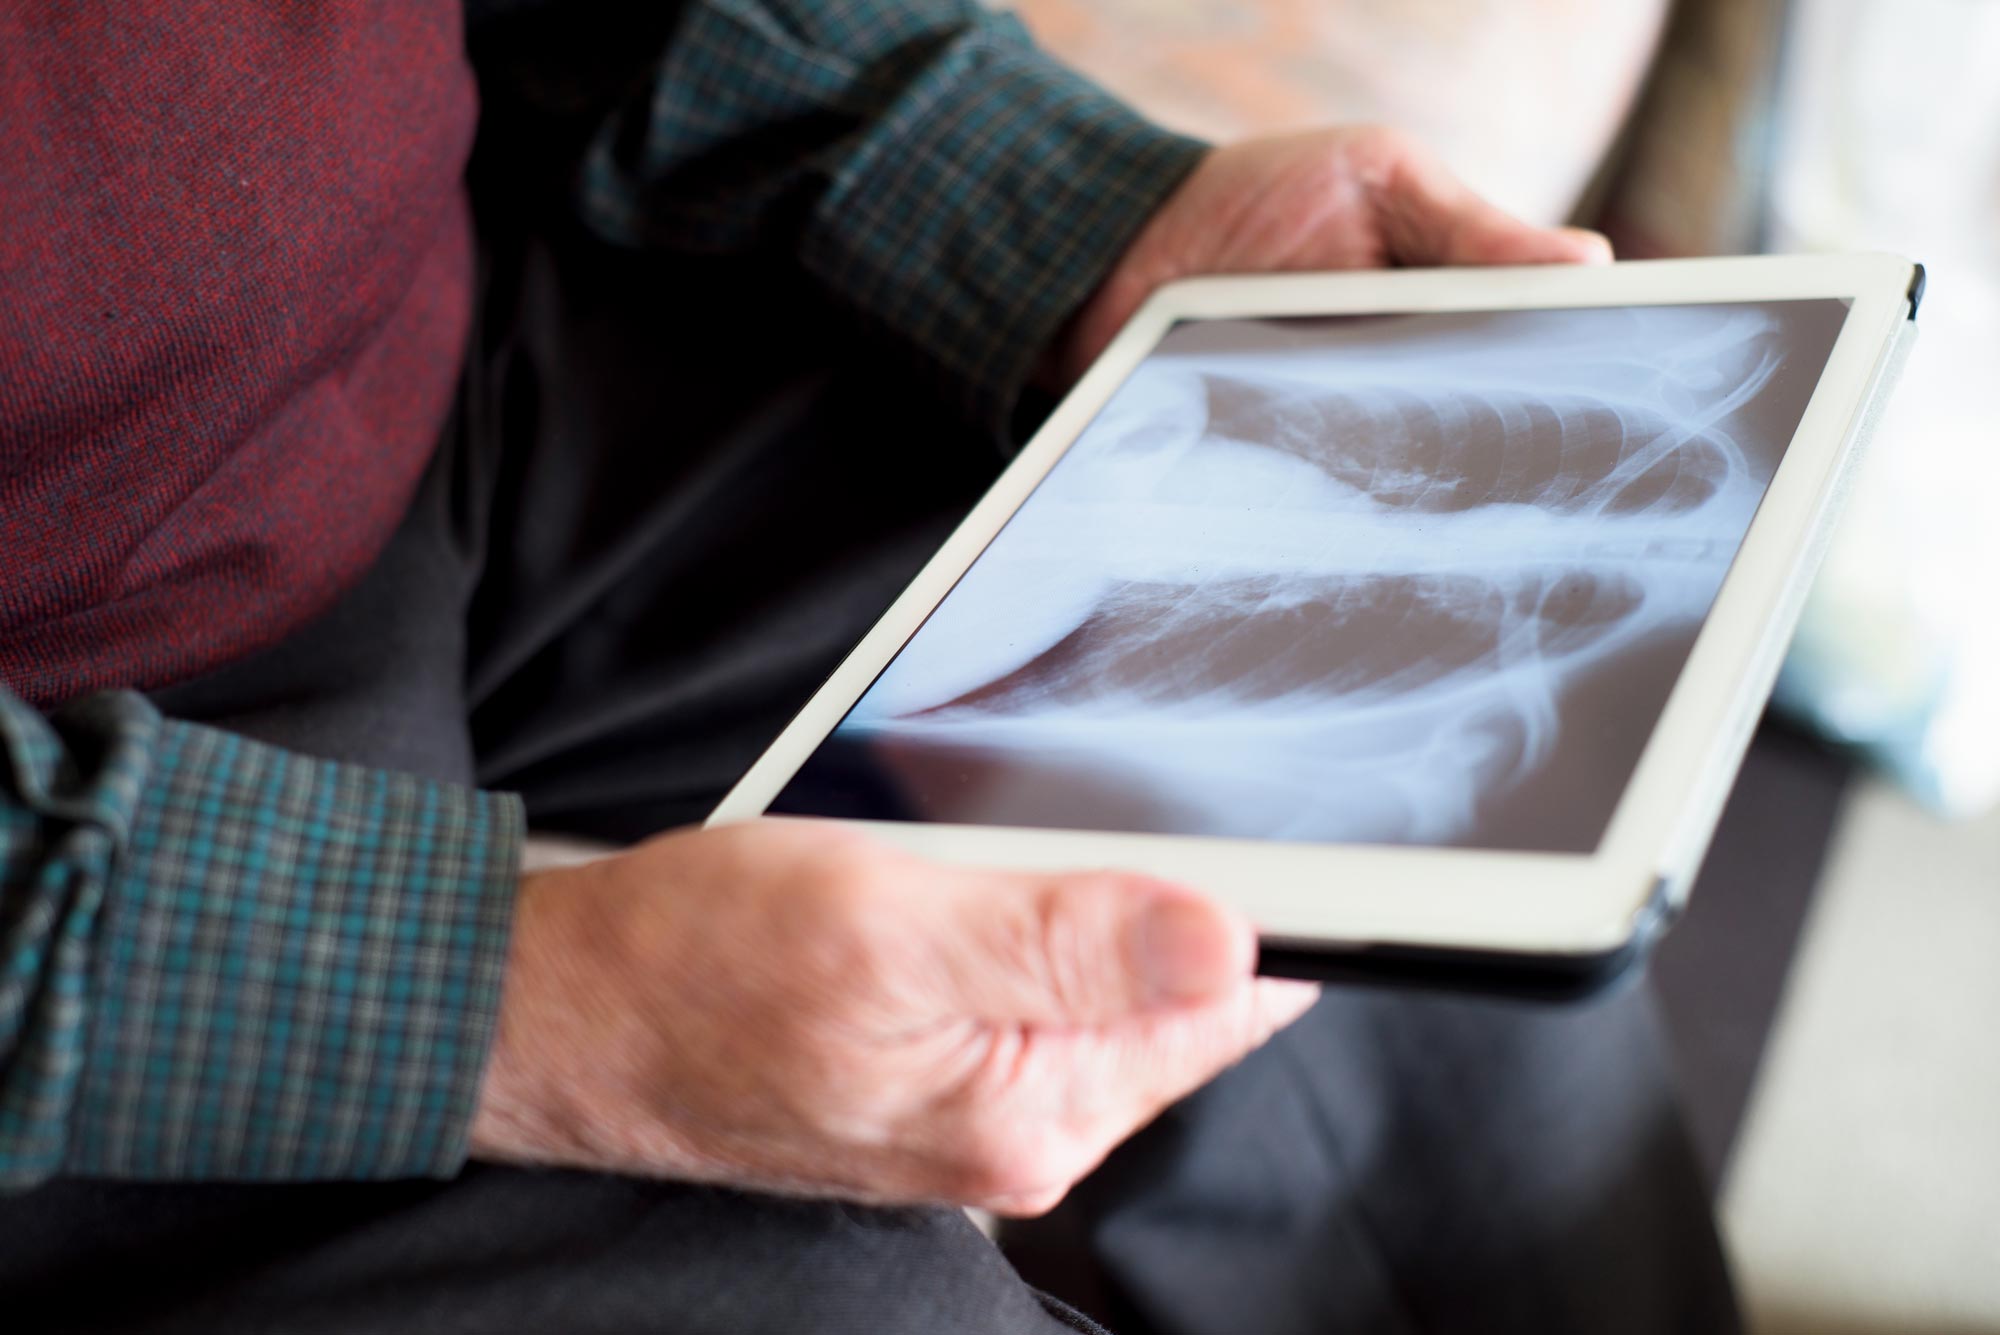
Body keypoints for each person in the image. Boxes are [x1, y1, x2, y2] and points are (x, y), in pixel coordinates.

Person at [0, 2, 1737, 1331]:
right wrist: (529, 1006)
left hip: (435, 362)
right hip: (66, 810)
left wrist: (1064, 210)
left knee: (1392, 731)